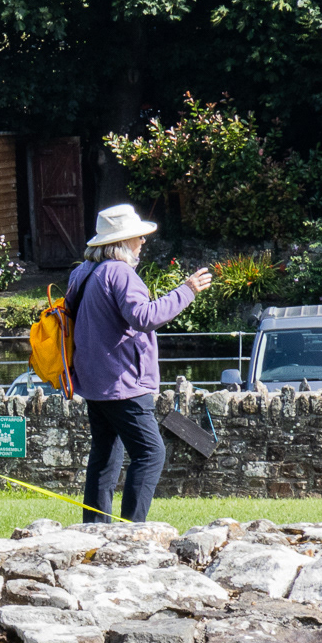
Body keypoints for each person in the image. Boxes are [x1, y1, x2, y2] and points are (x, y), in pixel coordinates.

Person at [68, 204, 211, 524]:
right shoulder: (119, 272)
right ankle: (133, 531)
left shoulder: (84, 272)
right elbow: (144, 317)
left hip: (93, 382)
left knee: (105, 457)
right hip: (123, 383)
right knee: (151, 453)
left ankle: (95, 529)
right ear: (121, 242)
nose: (143, 242)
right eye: (138, 237)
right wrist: (186, 292)